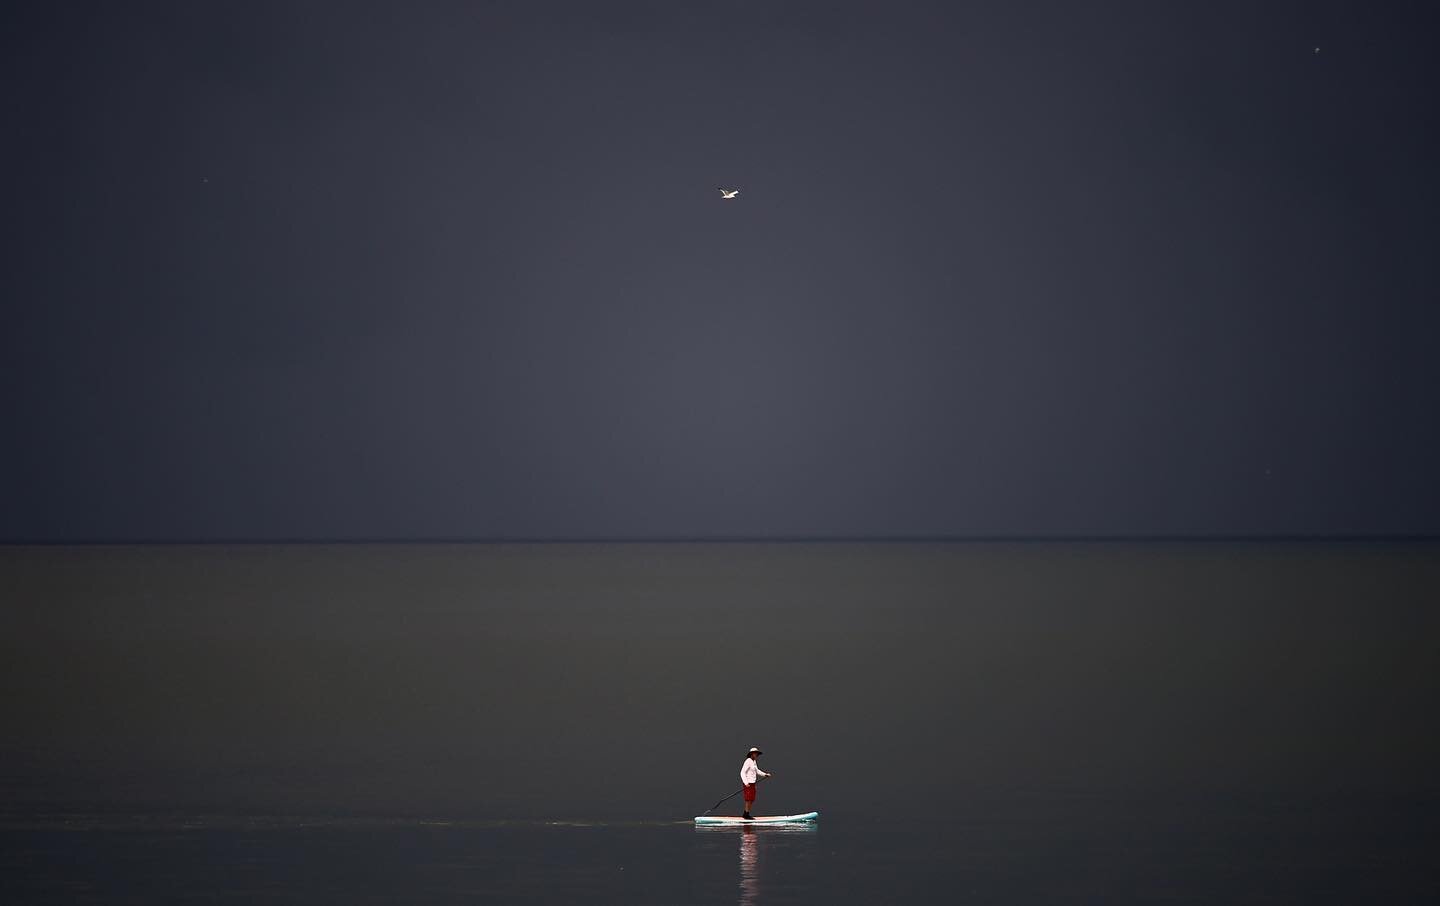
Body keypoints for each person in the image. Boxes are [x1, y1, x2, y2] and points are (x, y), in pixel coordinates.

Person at [739, 746, 772, 819]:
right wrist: (746, 782)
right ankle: (746, 814)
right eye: (755, 754)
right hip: (748, 784)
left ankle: (746, 813)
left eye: (757, 754)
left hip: (753, 783)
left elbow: (757, 771)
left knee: (752, 799)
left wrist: (765, 774)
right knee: (748, 799)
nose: (757, 755)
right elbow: (742, 772)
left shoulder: (754, 762)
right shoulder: (748, 761)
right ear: (751, 754)